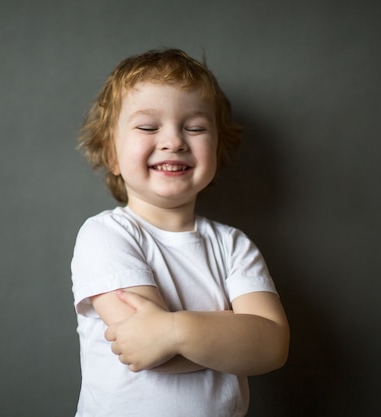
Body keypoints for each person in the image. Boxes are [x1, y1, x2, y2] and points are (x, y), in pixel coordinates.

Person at [70, 48, 289, 417]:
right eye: (148, 127)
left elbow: (272, 346)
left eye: (195, 127)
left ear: (216, 150)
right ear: (111, 154)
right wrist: (233, 336)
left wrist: (174, 330)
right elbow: (140, 345)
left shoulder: (234, 246)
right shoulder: (105, 234)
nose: (174, 141)